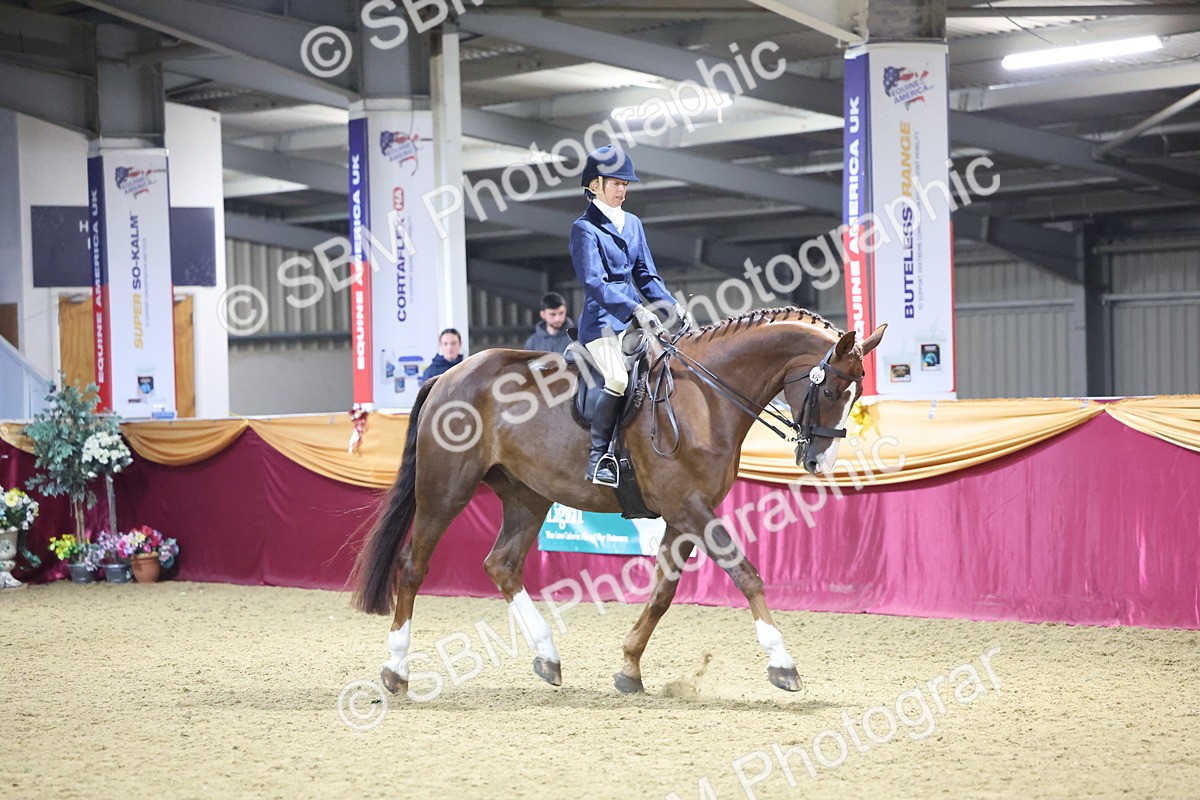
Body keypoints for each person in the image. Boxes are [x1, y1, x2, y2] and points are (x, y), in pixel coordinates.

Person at [569, 145, 689, 486]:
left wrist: (672, 305)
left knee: (666, 368)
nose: (622, 190)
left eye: (625, 184)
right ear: (595, 185)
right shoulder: (584, 229)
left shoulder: (633, 223)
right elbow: (594, 283)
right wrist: (634, 308)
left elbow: (645, 275)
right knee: (618, 379)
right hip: (602, 323)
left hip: (636, 321)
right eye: (616, 183)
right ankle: (599, 459)